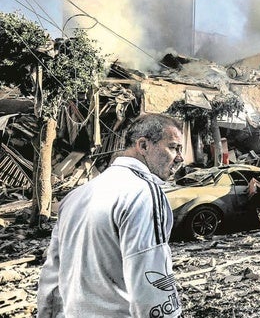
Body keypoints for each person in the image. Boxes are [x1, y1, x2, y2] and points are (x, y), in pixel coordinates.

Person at [37, 113, 184, 317]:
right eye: (173, 147)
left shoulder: (75, 196)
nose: (180, 158)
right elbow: (151, 284)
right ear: (143, 146)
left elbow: (51, 278)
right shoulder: (144, 194)